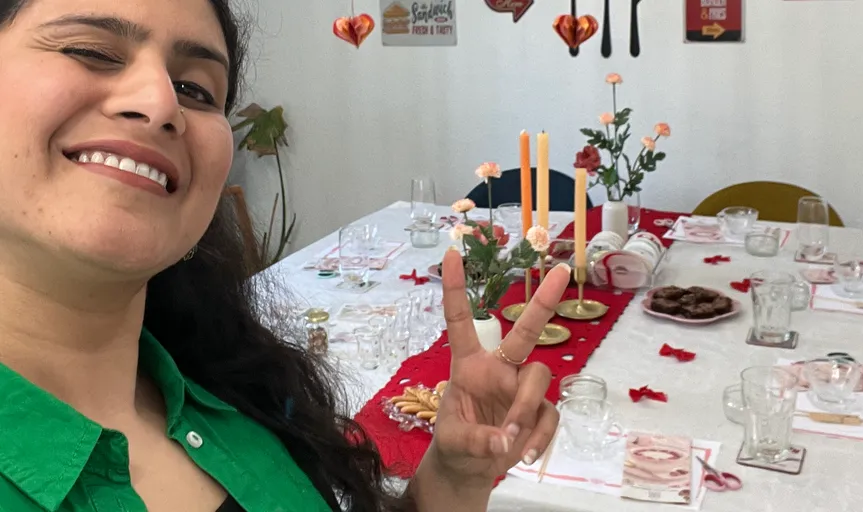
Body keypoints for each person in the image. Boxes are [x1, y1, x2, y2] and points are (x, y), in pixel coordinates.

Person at [0, 1, 568, 510]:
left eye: (196, 89)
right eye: (91, 51)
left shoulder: (239, 395)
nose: (159, 103)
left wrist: (451, 478)